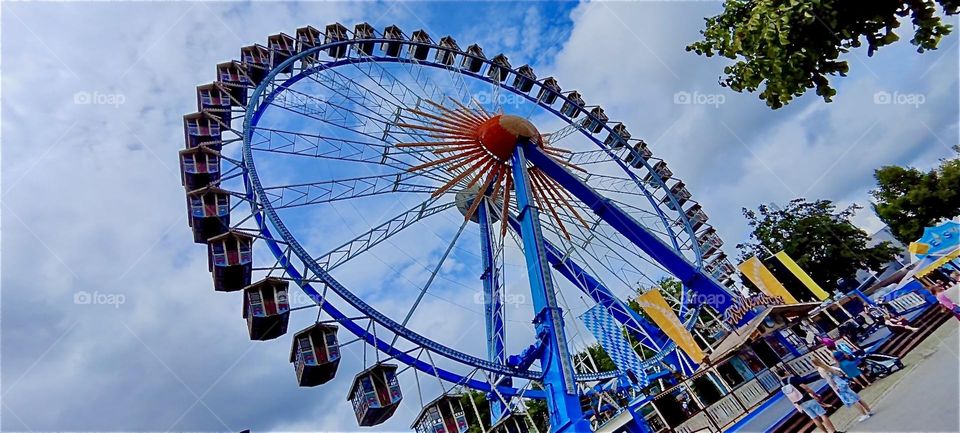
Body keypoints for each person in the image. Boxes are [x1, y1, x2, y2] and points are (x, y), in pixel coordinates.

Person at [776, 367, 838, 433]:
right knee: (822, 415)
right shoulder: (792, 379)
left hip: (800, 403)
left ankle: (825, 432)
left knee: (815, 418)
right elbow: (806, 388)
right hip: (807, 398)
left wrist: (797, 406)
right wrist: (815, 395)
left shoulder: (782, 384)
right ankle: (833, 431)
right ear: (785, 372)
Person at [812, 357, 874, 422]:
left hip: (836, 384)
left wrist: (835, 387)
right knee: (856, 396)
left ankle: (864, 414)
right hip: (840, 381)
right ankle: (869, 410)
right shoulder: (826, 365)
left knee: (852, 400)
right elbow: (837, 370)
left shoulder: (821, 369)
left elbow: (829, 379)